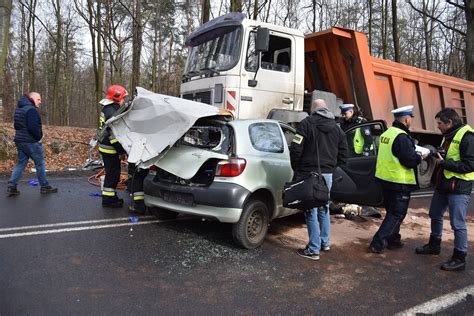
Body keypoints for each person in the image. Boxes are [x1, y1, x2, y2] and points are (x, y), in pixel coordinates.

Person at [415, 108, 473, 271]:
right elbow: (448, 155)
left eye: (440, 123)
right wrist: (436, 154)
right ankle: (434, 245)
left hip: (459, 187)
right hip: (444, 184)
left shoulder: (468, 138)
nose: (438, 126)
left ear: (450, 123)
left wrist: (444, 163)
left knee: (457, 223)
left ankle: (460, 258)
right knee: (435, 214)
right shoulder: (449, 135)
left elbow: (470, 165)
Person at [290, 99, 348, 260]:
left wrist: (297, 168)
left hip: (309, 174)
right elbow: (344, 153)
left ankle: (313, 249)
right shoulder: (337, 129)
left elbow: (296, 148)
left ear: (313, 110)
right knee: (324, 208)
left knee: (310, 211)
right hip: (327, 175)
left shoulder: (306, 124)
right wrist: (331, 167)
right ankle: (325, 243)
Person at [369, 105, 424, 253]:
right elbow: (410, 161)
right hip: (400, 182)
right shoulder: (402, 137)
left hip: (385, 180)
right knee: (397, 214)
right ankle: (377, 243)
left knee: (392, 212)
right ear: (406, 119)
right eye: (410, 119)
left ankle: (394, 240)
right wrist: (420, 157)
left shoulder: (387, 134)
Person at [6, 92, 58, 196]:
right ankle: (45, 186)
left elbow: (17, 125)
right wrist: (38, 137)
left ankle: (12, 185)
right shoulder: (31, 110)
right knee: (40, 164)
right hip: (31, 142)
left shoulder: (19, 109)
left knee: (21, 163)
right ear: (32, 98)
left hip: (20, 141)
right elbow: (33, 127)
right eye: (38, 99)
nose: (40, 101)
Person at [98, 85, 128, 208]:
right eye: (123, 98)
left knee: (112, 173)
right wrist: (121, 151)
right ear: (116, 98)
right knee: (113, 175)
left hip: (106, 147)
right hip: (110, 149)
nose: (123, 100)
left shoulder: (107, 109)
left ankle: (111, 196)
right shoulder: (112, 113)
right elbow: (114, 136)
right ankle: (108, 200)